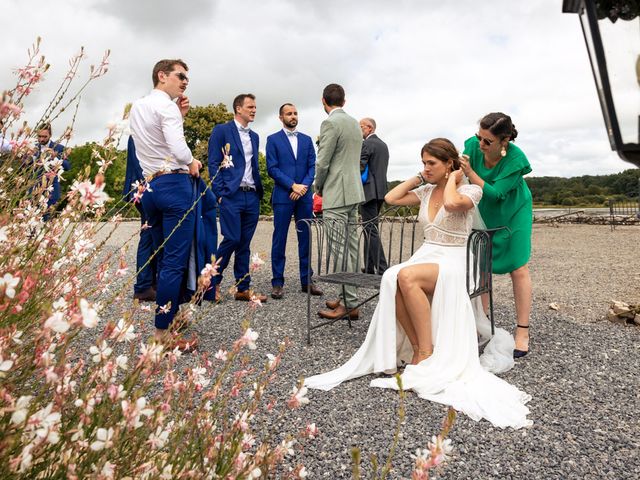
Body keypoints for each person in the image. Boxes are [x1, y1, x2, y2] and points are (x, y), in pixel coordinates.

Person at [305, 138, 531, 429]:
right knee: (392, 276)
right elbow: (391, 198)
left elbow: (451, 203)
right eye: (424, 162)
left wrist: (454, 179)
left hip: (454, 261)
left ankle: (426, 352)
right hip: (429, 254)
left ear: (449, 164)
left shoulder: (470, 191)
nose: (426, 168)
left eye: (431, 164)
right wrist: (419, 177)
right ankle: (416, 347)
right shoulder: (424, 191)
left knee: (406, 275)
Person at [130, 58, 201, 349]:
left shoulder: (137, 106)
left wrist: (178, 117)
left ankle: (169, 316)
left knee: (162, 259)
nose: (185, 81)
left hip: (150, 186)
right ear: (162, 75)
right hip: (173, 185)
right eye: (180, 75)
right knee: (174, 262)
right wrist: (192, 161)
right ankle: (162, 334)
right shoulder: (167, 107)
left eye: (187, 77)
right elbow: (176, 148)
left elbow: (152, 142)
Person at [460, 113, 533, 358]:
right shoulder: (472, 145)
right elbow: (460, 174)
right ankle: (484, 323)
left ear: (505, 141)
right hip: (484, 210)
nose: (480, 144)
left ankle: (522, 330)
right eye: (478, 137)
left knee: (518, 267)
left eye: (487, 141)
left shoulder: (515, 158)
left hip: (513, 210)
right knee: (481, 265)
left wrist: (470, 171)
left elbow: (497, 193)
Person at [208, 94, 267, 303]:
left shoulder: (255, 136)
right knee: (232, 238)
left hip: (252, 196)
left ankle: (243, 288)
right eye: (250, 107)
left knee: (244, 243)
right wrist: (220, 194)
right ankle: (210, 283)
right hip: (230, 195)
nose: (254, 110)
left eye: (255, 107)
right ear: (238, 108)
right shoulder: (221, 131)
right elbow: (213, 163)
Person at [314, 83, 365, 320]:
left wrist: (319, 187)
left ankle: (350, 304)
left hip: (336, 193)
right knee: (352, 249)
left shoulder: (330, 123)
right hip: (354, 192)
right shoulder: (355, 123)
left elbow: (323, 162)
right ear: (344, 102)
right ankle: (347, 298)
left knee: (340, 250)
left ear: (324, 101)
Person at [266, 103, 323, 300]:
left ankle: (307, 281)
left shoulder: (307, 140)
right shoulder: (272, 140)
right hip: (283, 196)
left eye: (295, 113)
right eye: (289, 113)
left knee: (305, 238)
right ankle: (277, 283)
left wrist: (303, 187)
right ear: (281, 117)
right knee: (279, 239)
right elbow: (272, 168)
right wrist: (292, 186)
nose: (293, 116)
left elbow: (311, 167)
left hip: (304, 196)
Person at [123, 136, 157, 302]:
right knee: (148, 236)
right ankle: (143, 286)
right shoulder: (138, 132)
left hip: (144, 188)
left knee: (153, 235)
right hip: (143, 189)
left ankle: (150, 283)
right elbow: (139, 164)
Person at [359, 117, 389, 275]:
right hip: (381, 192)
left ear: (369, 128)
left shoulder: (367, 144)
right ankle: (369, 268)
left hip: (368, 192)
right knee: (369, 229)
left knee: (370, 230)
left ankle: (383, 269)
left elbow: (359, 166)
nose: (359, 129)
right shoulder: (383, 145)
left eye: (361, 127)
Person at [35, 123, 69, 211]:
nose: (41, 139)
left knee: (48, 217)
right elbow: (24, 165)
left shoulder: (59, 148)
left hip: (52, 188)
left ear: (50, 135)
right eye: (39, 136)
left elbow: (67, 166)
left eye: (44, 136)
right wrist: (27, 157)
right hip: (34, 188)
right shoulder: (33, 147)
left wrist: (55, 157)